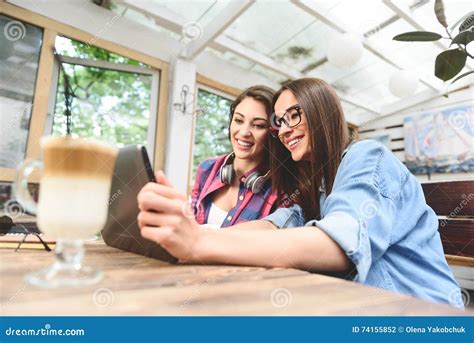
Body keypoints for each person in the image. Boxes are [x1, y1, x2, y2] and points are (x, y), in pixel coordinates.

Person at [137, 78, 463, 308]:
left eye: (295, 114)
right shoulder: (313, 189)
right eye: (280, 121)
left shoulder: (367, 157)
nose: (286, 129)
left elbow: (339, 244)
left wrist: (198, 242)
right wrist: (196, 232)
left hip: (421, 311)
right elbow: (272, 225)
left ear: (322, 111)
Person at [191, 85, 278, 228]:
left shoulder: (278, 189)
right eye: (238, 120)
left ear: (272, 133)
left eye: (258, 125)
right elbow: (190, 222)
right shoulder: (207, 168)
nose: (244, 132)